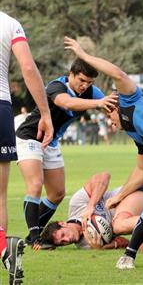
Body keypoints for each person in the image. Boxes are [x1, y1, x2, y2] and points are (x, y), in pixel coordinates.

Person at [63, 37, 143, 253]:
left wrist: (83, 55)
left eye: (109, 118)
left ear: (113, 107)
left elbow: (117, 74)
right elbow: (142, 170)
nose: (111, 124)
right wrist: (119, 197)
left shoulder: (129, 99)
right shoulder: (137, 134)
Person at [15, 44, 117, 249]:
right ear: (71, 74)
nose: (84, 86)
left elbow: (110, 106)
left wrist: (116, 117)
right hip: (30, 136)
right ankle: (35, 239)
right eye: (81, 80)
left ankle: (33, 235)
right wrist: (98, 104)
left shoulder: (91, 92)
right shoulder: (56, 87)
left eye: (89, 83)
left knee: (57, 193)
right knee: (35, 185)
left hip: (51, 142)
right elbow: (67, 103)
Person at [0, 11, 53, 285]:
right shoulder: (10, 23)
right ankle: (3, 250)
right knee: (0, 194)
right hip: (1, 107)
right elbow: (29, 68)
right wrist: (44, 112)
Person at [40, 172, 143, 250]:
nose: (67, 239)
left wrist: (91, 205)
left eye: (63, 235)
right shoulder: (85, 245)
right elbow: (125, 242)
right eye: (63, 242)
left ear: (62, 223)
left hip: (135, 193)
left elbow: (103, 176)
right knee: (142, 246)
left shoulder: (77, 204)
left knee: (118, 225)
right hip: (138, 217)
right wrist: (103, 247)